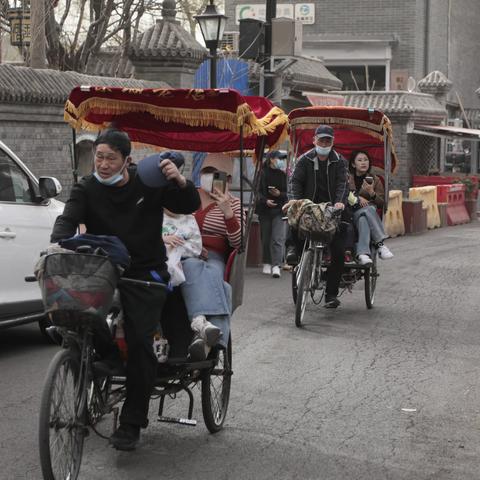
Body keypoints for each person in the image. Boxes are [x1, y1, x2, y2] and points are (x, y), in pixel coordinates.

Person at [50, 129, 200, 451]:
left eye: (110, 158)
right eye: (99, 157)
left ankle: (132, 423)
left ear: (126, 161)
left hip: (144, 272)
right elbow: (69, 217)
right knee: (75, 319)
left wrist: (179, 180)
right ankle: (102, 356)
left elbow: (189, 204)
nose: (103, 164)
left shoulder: (147, 183)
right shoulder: (86, 187)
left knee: (139, 340)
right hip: (103, 269)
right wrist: (58, 238)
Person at [180, 152, 244, 361]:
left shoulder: (233, 203)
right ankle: (210, 332)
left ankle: (210, 341)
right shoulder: (188, 194)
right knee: (193, 269)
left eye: (217, 174)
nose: (210, 177)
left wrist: (228, 213)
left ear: (228, 179)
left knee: (215, 275)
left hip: (214, 256)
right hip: (183, 251)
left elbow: (238, 243)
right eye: (207, 172)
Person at [285, 125, 349, 308]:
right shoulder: (304, 160)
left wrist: (339, 202)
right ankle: (292, 250)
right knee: (292, 218)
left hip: (331, 210)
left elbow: (342, 185)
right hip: (308, 207)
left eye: (328, 140)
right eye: (321, 140)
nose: (324, 143)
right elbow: (294, 182)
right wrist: (294, 201)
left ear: (332, 142)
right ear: (314, 140)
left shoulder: (340, 162)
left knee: (338, 250)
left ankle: (331, 294)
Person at [348, 151, 394, 265]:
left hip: (365, 217)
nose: (363, 163)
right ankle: (380, 244)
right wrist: (358, 199)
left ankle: (363, 253)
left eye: (366, 160)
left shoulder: (374, 179)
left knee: (364, 218)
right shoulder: (347, 178)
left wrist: (372, 193)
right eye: (360, 160)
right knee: (369, 209)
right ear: (353, 164)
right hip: (350, 214)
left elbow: (381, 203)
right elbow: (344, 195)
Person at [256, 150, 288, 278]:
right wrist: (265, 201)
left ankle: (276, 265)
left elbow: (288, 193)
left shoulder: (283, 175)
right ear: (271, 159)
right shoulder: (262, 173)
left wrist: (279, 194)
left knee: (278, 238)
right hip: (264, 210)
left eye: (282, 159)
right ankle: (267, 262)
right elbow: (256, 192)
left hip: (279, 210)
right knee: (266, 238)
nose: (281, 161)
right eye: (279, 158)